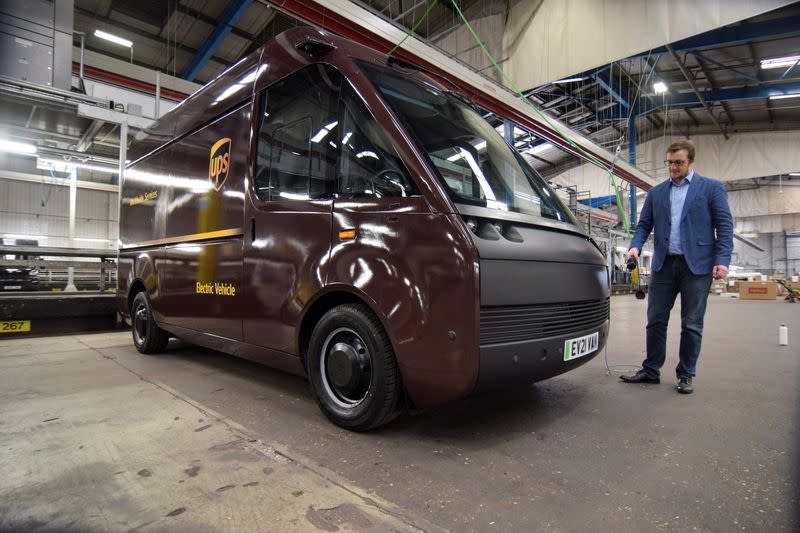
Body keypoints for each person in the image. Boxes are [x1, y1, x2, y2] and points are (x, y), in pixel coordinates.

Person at [620, 139, 733, 394]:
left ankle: (686, 374)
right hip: (663, 265)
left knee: (691, 323)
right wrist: (635, 246)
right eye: (669, 163)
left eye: (679, 163)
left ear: (691, 161)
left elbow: (724, 228)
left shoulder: (712, 189)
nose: (673, 168)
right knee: (655, 320)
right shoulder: (656, 193)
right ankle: (651, 370)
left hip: (698, 266)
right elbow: (643, 225)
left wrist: (722, 261)